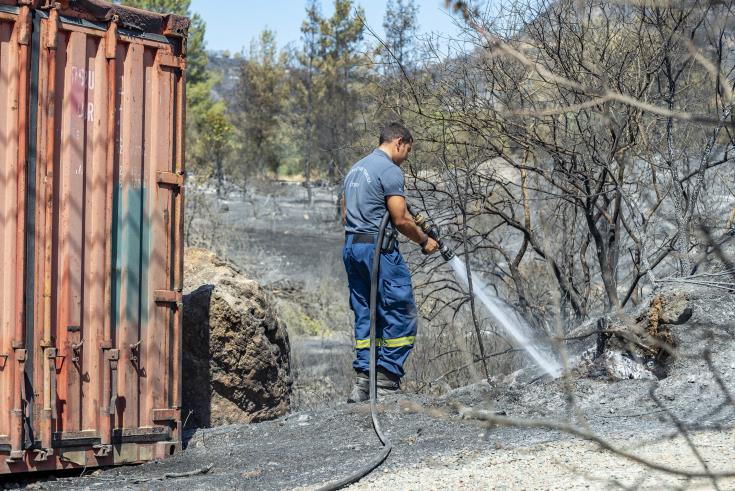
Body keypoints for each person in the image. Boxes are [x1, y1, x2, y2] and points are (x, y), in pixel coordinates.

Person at [341, 122, 439, 403]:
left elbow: (346, 215)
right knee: (400, 311)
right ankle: (385, 381)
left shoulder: (356, 169)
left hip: (352, 248)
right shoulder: (389, 170)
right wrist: (424, 240)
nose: (406, 156)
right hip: (377, 251)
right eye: (407, 150)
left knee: (367, 313)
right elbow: (400, 219)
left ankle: (364, 382)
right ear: (399, 142)